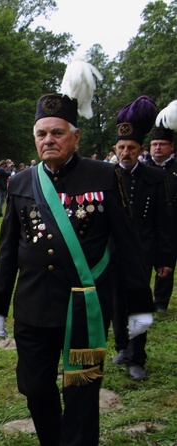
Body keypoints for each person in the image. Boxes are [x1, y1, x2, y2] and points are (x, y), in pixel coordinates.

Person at [0, 60, 154, 446]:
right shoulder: (20, 182)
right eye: (42, 133)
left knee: (81, 392)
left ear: (75, 137)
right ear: (34, 138)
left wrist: (138, 305)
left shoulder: (103, 175)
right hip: (32, 308)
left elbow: (128, 245)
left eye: (57, 133)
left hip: (84, 309)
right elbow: (7, 250)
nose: (49, 140)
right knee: (35, 388)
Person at [110, 96, 174, 382]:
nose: (126, 152)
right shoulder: (107, 176)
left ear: (140, 150)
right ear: (116, 149)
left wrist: (165, 259)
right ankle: (122, 347)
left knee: (140, 303)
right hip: (112, 253)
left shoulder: (154, 177)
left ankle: (138, 357)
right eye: (121, 147)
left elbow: (164, 222)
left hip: (144, 253)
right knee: (117, 303)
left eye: (131, 148)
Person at [145, 100, 177, 312]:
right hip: (148, 224)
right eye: (154, 144)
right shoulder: (143, 168)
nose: (157, 148)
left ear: (171, 147)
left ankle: (160, 302)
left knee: (167, 262)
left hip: (172, 222)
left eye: (162, 145)